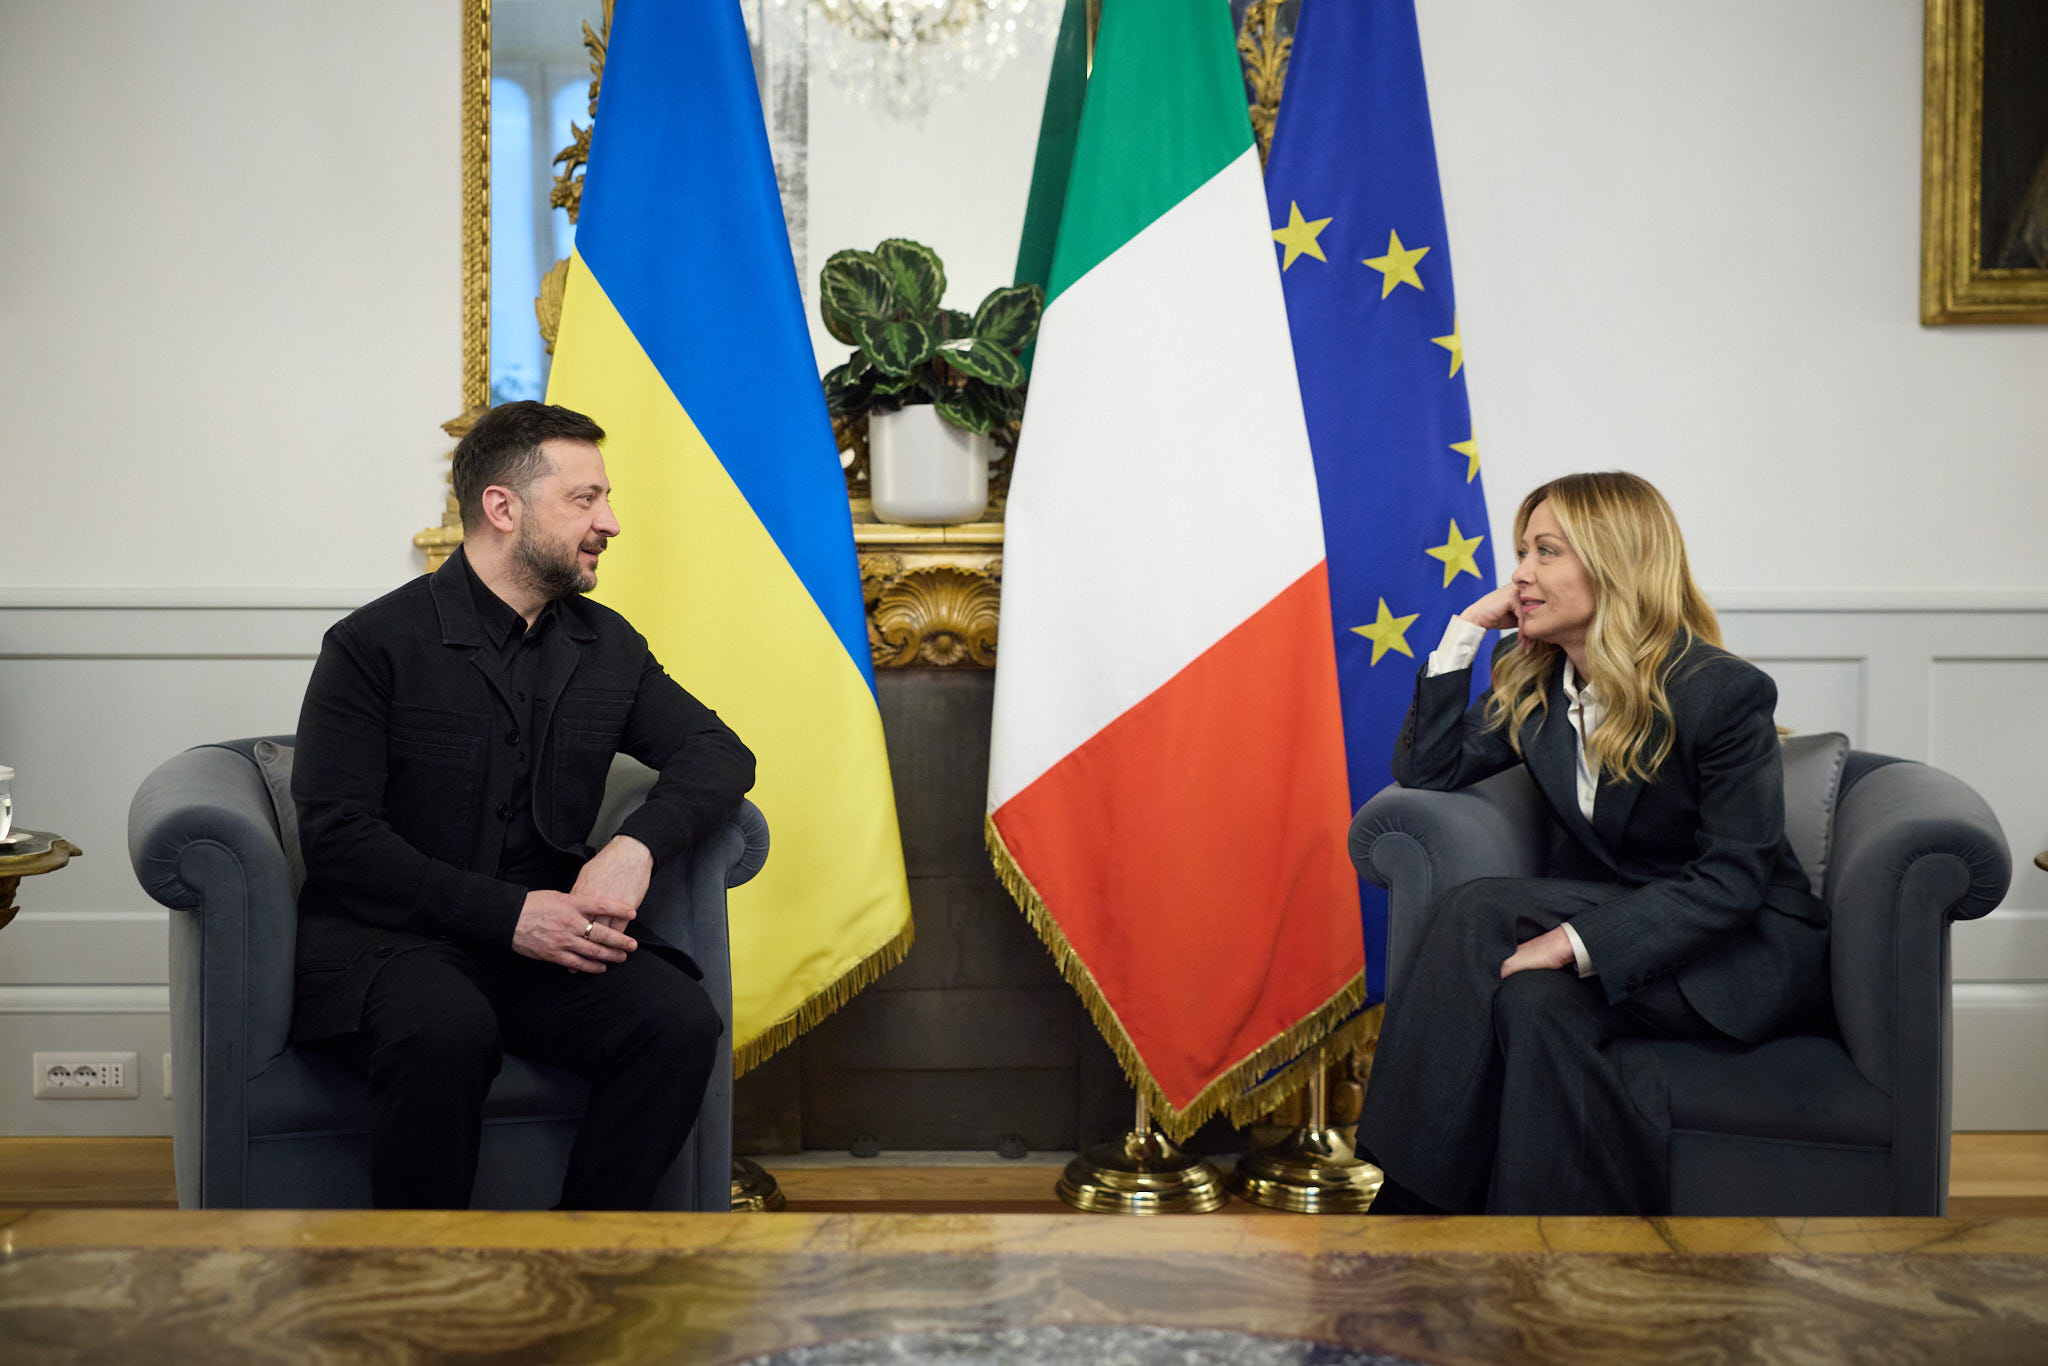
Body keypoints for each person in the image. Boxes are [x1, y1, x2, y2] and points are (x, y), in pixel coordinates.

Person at [290, 400, 755, 1210]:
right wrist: (509, 915)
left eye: (605, 498)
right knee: (444, 1029)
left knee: (678, 1021)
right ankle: (425, 1275)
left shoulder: (608, 645)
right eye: (585, 499)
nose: (610, 522)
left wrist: (634, 847)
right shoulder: (370, 646)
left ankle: (577, 1261)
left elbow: (720, 753)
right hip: (391, 942)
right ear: (503, 508)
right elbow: (338, 838)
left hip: (544, 946)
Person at [1356, 471, 1827, 1216]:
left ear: (1614, 564)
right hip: (1631, 930)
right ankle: (1564, 1253)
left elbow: (1733, 882)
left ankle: (1403, 1211)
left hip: (1737, 949)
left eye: (1546, 552)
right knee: (1534, 1006)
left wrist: (1571, 941)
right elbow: (1429, 768)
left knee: (1480, 913)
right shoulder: (1539, 683)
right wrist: (1466, 631)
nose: (1521, 574)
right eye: (1522, 552)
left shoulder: (1721, 691)